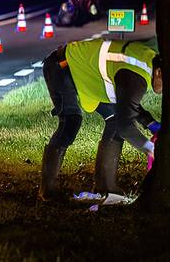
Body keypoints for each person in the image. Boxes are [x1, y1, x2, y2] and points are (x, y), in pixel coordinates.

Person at [39, 38, 162, 201]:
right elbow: (126, 126)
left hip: (87, 76)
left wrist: (151, 124)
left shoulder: (148, 60)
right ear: (160, 72)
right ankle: (48, 191)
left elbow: (126, 104)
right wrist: (151, 149)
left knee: (114, 121)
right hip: (62, 66)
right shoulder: (137, 77)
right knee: (70, 121)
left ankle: (105, 188)